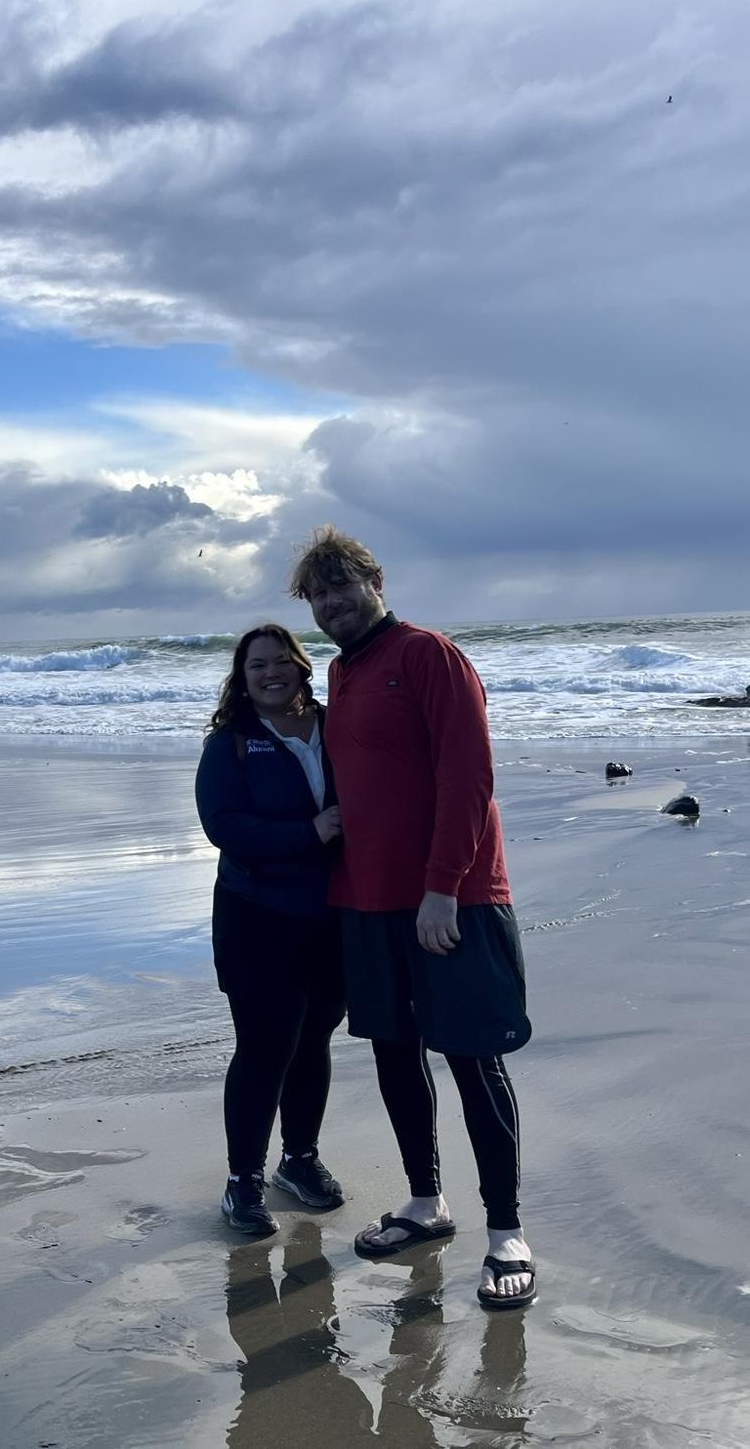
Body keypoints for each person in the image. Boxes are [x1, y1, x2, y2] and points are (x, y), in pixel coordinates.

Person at [288, 526, 536, 1309]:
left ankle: (507, 1234)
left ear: (375, 581)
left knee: (472, 1059)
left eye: (341, 585)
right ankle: (426, 1203)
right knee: (395, 1053)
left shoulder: (429, 654)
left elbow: (470, 777)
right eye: (317, 594)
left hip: (451, 900)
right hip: (369, 902)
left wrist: (442, 886)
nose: (331, 603)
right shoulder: (341, 671)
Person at [195, 623, 347, 1238]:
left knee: (315, 1040)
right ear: (243, 677)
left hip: (333, 914)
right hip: (255, 915)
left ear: (302, 667)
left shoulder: (338, 725)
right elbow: (223, 827)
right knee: (265, 1046)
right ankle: (243, 1182)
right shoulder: (230, 742)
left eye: (281, 661)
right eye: (257, 665)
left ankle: (299, 1160)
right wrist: (308, 833)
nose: (270, 673)